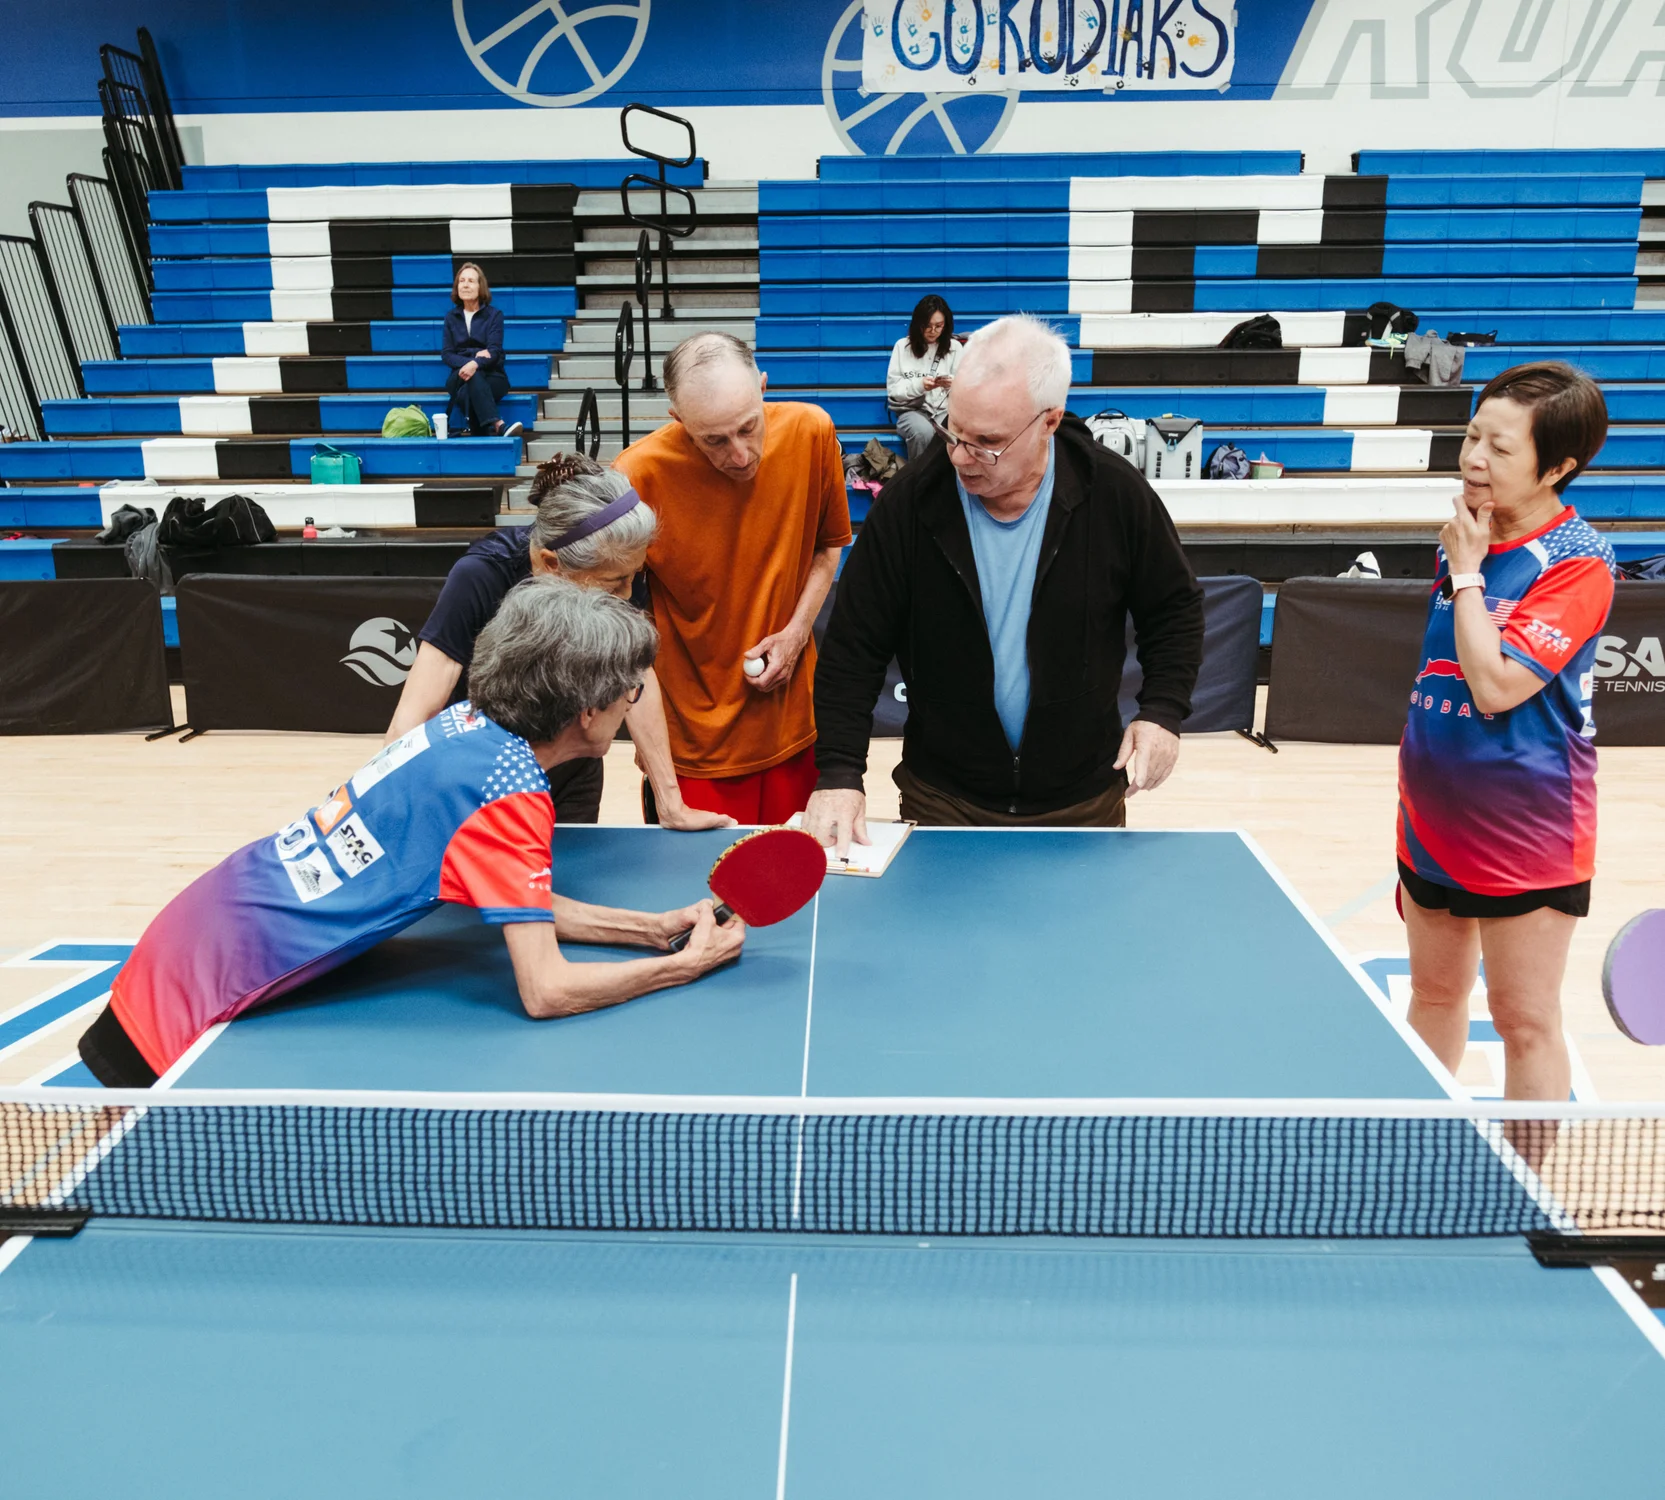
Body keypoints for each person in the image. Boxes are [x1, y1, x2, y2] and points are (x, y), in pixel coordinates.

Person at [77, 578, 746, 1088]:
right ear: (588, 710)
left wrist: (650, 928)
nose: (634, 704)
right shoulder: (508, 795)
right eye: (630, 692)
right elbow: (546, 990)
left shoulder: (464, 729)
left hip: (180, 940)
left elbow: (515, 897)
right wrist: (683, 965)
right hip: (186, 1015)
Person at [804, 314, 1204, 853]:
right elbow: (853, 648)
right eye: (954, 431)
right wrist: (839, 774)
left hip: (1083, 800)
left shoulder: (1114, 494)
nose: (959, 457)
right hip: (944, 800)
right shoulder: (909, 505)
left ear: (1049, 421)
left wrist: (1162, 713)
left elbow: (1174, 609)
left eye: (986, 442)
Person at [1397, 361, 1615, 1101]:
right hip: (1428, 816)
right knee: (1430, 998)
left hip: (1526, 829)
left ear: (1557, 467)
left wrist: (1466, 575)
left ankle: (1530, 1208)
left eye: (1498, 448)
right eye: (1469, 436)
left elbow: (1494, 687)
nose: (1472, 459)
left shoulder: (1576, 562)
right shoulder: (1465, 534)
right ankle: (1410, 1166)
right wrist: (1463, 562)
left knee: (1522, 1020)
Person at [385, 454, 731, 831]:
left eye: (635, 576)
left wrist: (670, 803)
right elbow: (411, 719)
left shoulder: (619, 567)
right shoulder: (481, 575)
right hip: (484, 773)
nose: (627, 594)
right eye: (614, 583)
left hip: (573, 764)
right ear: (551, 564)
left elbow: (636, 673)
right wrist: (398, 817)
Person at [614, 331, 852, 824]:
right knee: (697, 900)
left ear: (763, 387)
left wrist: (796, 631)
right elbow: (619, 627)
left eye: (748, 427)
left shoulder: (813, 432)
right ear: (678, 421)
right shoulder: (636, 476)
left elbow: (829, 547)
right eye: (714, 441)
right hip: (693, 753)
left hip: (796, 732)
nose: (740, 455)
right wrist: (665, 786)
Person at [443, 262, 523, 439]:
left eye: (471, 281)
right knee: (473, 375)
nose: (465, 284)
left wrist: (476, 364)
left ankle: (484, 429)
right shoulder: (451, 317)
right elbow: (447, 354)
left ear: (481, 287)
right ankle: (498, 425)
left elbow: (494, 352)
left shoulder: (494, 315)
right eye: (461, 281)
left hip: (493, 377)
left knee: (475, 376)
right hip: (459, 378)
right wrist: (473, 362)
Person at [887, 294, 959, 462]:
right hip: (912, 411)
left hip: (944, 410)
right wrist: (920, 386)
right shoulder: (902, 346)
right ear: (918, 324)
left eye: (938, 326)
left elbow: (966, 387)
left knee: (953, 433)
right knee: (922, 432)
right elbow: (894, 390)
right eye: (927, 326)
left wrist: (952, 384)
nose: (933, 331)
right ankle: (921, 484)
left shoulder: (954, 347)